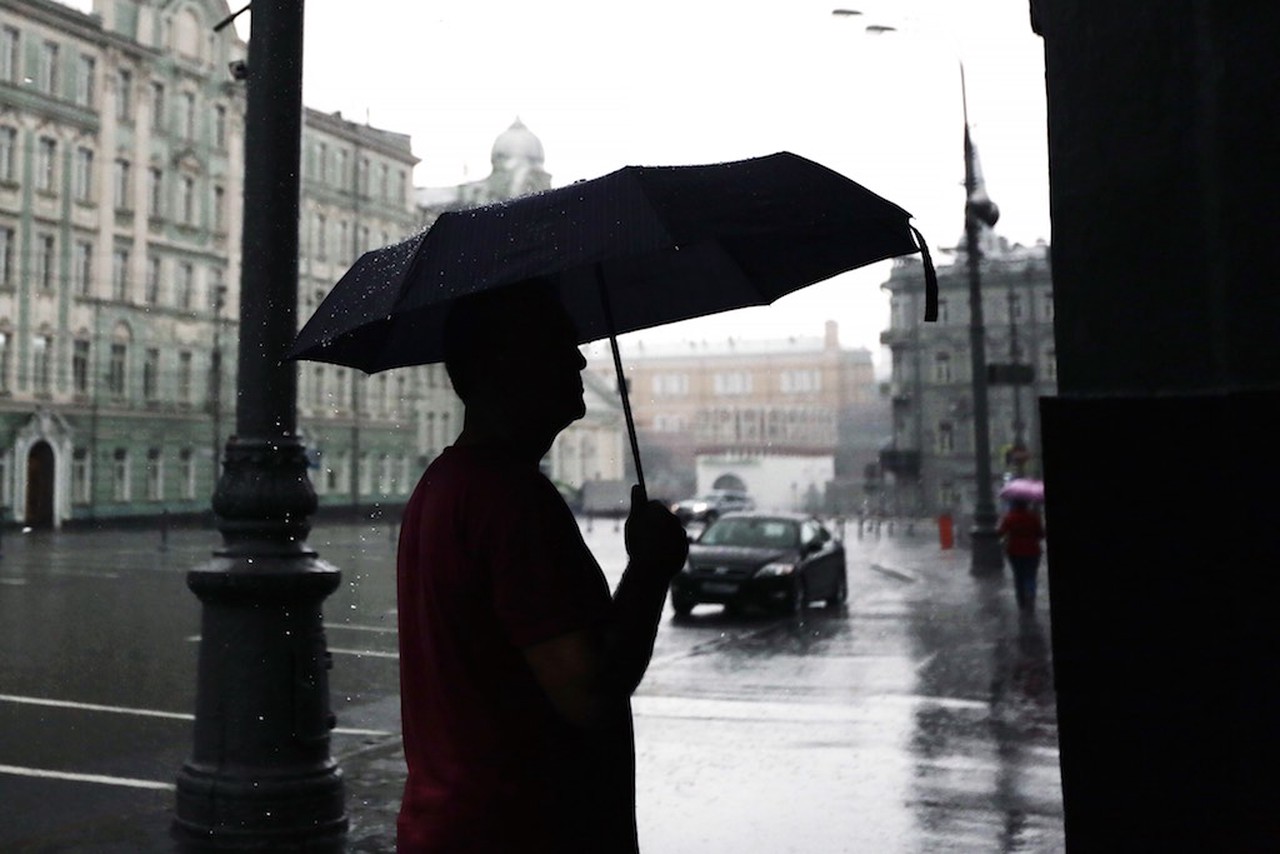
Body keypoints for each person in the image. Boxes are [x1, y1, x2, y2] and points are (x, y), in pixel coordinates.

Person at [395, 281, 689, 852]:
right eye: (559, 340)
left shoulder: (445, 484)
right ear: (504, 363)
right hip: (521, 830)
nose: (580, 357)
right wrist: (651, 571)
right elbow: (589, 694)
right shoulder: (510, 500)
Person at [997, 498, 1046, 612]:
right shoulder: (1033, 517)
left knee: (1018, 576)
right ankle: (1031, 596)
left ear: (1014, 505)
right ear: (1026, 505)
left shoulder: (1009, 517)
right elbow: (1041, 534)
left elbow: (1000, 533)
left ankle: (1021, 601)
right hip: (1033, 551)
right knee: (1031, 575)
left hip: (1014, 551)